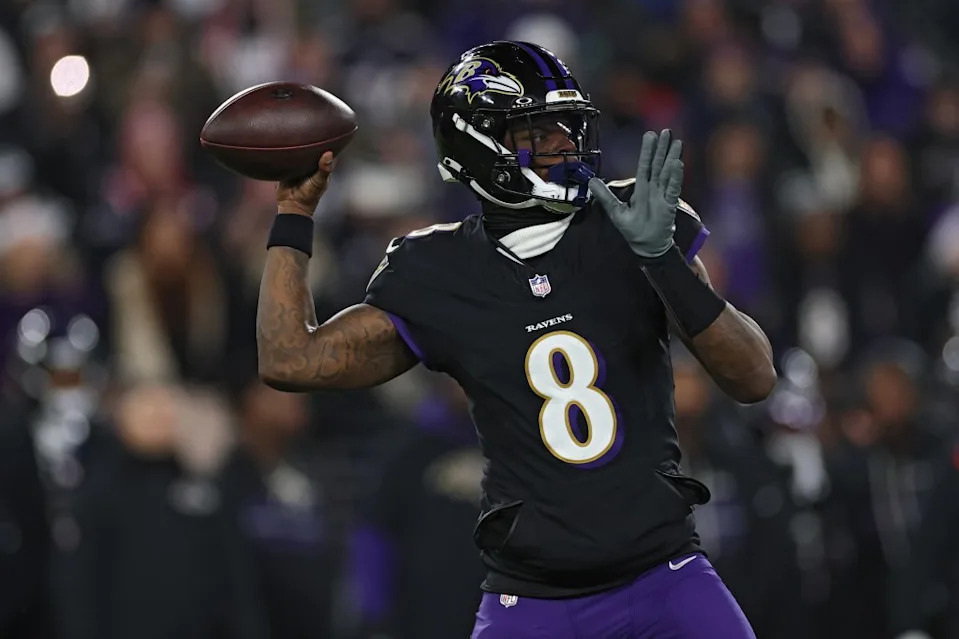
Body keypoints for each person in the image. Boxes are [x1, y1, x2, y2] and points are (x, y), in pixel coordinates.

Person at [255, 41, 776, 639]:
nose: (564, 144)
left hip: (666, 574)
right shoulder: (438, 270)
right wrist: (294, 212)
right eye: (537, 130)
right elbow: (290, 359)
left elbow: (755, 377)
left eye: (566, 126)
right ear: (477, 145)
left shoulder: (633, 222)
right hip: (535, 601)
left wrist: (663, 262)